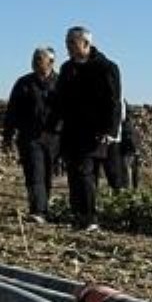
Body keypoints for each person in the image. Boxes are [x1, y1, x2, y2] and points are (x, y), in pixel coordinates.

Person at [46, 27, 122, 227]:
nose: (68, 47)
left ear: (86, 44)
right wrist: (51, 126)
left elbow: (114, 101)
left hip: (95, 132)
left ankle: (89, 218)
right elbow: (59, 101)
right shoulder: (67, 69)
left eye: (72, 42)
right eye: (67, 42)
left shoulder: (106, 68)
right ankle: (79, 216)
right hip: (71, 131)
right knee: (76, 174)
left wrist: (110, 130)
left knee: (85, 173)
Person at [3, 46, 59, 219]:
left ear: (50, 62)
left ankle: (44, 207)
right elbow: (12, 110)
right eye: (34, 58)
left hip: (53, 137)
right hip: (30, 136)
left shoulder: (61, 83)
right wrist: (8, 134)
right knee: (34, 172)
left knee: (47, 174)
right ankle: (38, 210)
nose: (34, 62)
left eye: (39, 59)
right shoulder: (23, 83)